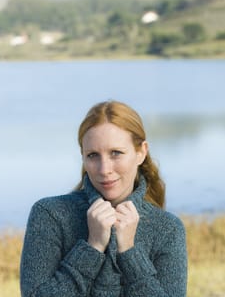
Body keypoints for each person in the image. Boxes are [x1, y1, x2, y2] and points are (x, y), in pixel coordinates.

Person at [20, 100, 187, 297]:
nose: (104, 169)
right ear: (82, 156)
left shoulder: (168, 229)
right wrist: (93, 247)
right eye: (93, 155)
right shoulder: (50, 215)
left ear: (141, 152)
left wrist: (129, 253)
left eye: (116, 153)